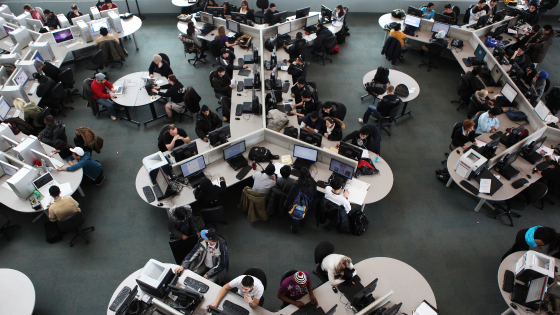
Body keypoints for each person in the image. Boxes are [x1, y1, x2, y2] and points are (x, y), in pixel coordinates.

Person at [285, 167, 317, 234]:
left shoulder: (297, 185)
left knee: (296, 216)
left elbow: (290, 197)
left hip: (297, 206)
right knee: (303, 213)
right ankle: (302, 224)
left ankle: (295, 230)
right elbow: (315, 195)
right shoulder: (313, 183)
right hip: (307, 204)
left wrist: (286, 204)